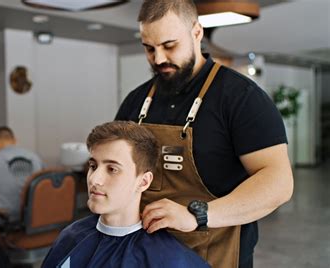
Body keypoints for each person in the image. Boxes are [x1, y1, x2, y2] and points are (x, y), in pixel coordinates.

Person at [114, 1, 294, 267]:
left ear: (197, 32)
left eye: (169, 45)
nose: (159, 58)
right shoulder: (137, 100)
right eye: (149, 48)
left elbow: (278, 183)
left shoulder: (240, 97)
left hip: (216, 254)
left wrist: (198, 215)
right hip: (146, 254)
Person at [42, 121, 210, 267]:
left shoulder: (168, 258)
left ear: (144, 181)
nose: (94, 179)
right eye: (93, 166)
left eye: (112, 169)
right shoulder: (70, 237)